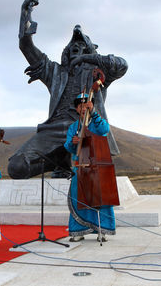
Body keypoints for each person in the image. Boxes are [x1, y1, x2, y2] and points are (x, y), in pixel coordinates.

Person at [8, 0, 128, 179]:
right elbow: (26, 46)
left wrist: (88, 58)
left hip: (83, 127)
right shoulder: (54, 71)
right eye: (73, 45)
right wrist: (25, 15)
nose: (76, 47)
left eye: (81, 45)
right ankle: (57, 159)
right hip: (53, 129)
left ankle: (68, 159)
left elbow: (122, 65)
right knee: (16, 167)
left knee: (90, 176)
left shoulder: (97, 73)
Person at [64, 94, 116, 242]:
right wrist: (73, 143)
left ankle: (102, 230)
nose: (83, 108)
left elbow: (104, 129)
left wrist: (93, 112)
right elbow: (68, 146)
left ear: (91, 106)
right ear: (76, 108)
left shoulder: (97, 122)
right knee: (77, 198)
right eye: (80, 106)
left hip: (98, 166)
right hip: (79, 167)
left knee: (100, 199)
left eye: (86, 105)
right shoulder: (73, 127)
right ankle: (78, 231)